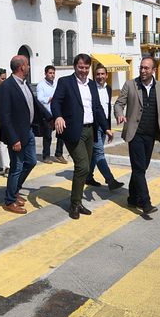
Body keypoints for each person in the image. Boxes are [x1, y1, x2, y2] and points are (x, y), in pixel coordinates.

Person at [114, 56, 160, 217]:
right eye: (141, 67)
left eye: (146, 68)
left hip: (151, 135)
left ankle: (132, 198)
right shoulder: (130, 85)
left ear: (154, 70)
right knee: (139, 168)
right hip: (134, 134)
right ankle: (145, 203)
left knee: (141, 168)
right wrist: (120, 114)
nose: (142, 71)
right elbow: (119, 104)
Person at [51, 54, 113, 220]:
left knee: (83, 169)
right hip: (73, 131)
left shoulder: (92, 85)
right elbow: (55, 102)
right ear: (75, 67)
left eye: (86, 68)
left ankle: (77, 202)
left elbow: (98, 108)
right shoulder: (65, 82)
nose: (84, 71)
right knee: (83, 166)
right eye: (81, 67)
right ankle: (74, 204)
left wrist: (106, 128)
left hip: (90, 131)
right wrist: (58, 116)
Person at [0, 55, 50, 215]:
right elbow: (5, 117)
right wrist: (14, 139)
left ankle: (15, 191)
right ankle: (9, 200)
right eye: (27, 64)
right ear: (21, 67)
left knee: (31, 162)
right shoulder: (6, 87)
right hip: (17, 136)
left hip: (28, 131)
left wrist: (50, 117)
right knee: (17, 167)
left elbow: (34, 103)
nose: (29, 67)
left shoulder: (24, 84)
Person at [86, 64, 124, 191]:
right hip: (94, 126)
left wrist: (108, 128)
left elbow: (106, 110)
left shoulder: (108, 88)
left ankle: (88, 176)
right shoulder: (90, 88)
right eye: (97, 74)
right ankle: (110, 180)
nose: (100, 76)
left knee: (94, 154)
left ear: (107, 75)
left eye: (102, 74)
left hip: (104, 126)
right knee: (99, 153)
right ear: (94, 75)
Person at [36, 65, 67, 164]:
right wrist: (50, 99)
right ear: (45, 74)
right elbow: (40, 99)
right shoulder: (41, 85)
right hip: (47, 114)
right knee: (48, 136)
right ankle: (46, 156)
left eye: (53, 73)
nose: (52, 75)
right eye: (50, 73)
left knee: (61, 133)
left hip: (57, 113)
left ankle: (59, 154)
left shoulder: (56, 84)